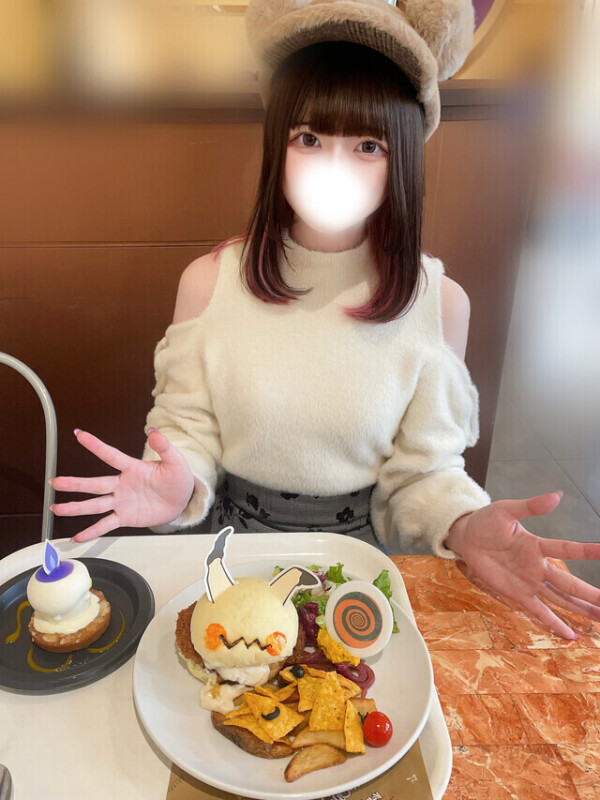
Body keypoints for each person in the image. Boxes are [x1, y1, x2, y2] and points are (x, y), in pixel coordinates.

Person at [50, 0, 600, 639]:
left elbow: (423, 475)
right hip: (229, 556)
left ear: (402, 157)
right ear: (277, 144)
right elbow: (185, 433)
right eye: (309, 138)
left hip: (360, 567)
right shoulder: (208, 282)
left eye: (367, 145)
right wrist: (179, 488)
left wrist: (463, 522)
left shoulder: (440, 302)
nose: (333, 167)